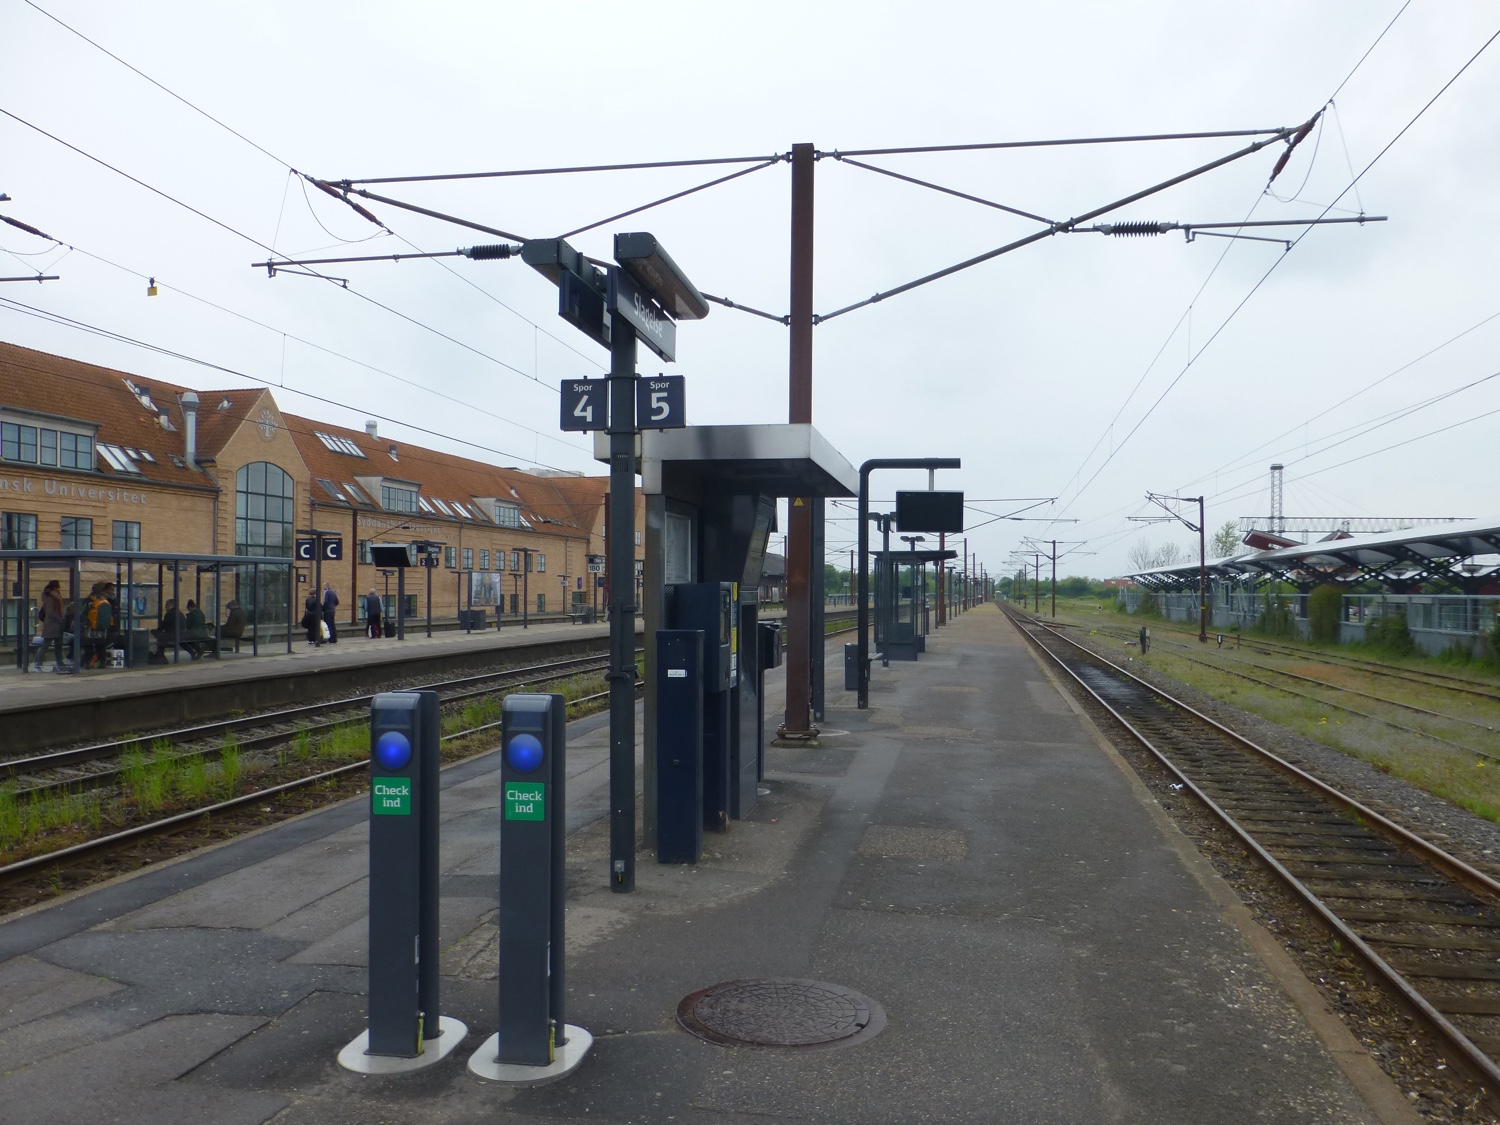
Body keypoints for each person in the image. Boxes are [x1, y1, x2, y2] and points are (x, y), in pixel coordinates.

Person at [34, 579, 65, 672]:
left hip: (56, 624)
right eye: (57, 587)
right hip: (52, 624)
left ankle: (59, 663)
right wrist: (60, 619)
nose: (59, 589)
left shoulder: (55, 597)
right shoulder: (51, 597)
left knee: (57, 645)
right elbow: (50, 612)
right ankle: (39, 663)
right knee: (46, 644)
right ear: (54, 588)